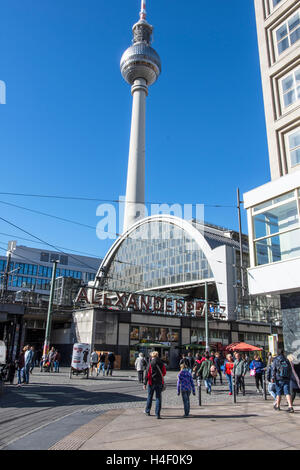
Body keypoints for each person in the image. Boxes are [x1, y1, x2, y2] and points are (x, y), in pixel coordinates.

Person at [143, 351, 166, 419]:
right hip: (159, 382)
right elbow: (164, 372)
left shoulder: (150, 363)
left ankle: (147, 411)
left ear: (152, 356)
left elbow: (147, 374)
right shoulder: (161, 363)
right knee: (158, 398)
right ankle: (157, 414)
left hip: (151, 382)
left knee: (150, 396)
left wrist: (145, 383)